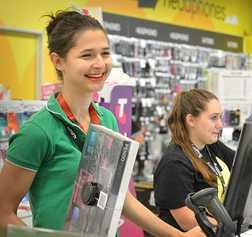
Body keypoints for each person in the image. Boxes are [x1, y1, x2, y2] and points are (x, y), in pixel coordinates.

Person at [0, 10, 205, 237]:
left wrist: (176, 236)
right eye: (87, 55)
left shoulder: (107, 119)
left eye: (105, 53)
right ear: (58, 61)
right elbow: (3, 213)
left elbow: (118, 196)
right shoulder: (38, 132)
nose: (100, 64)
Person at [154, 89, 235, 232]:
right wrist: (228, 228)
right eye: (213, 118)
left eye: (220, 117)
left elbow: (242, 163)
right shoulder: (174, 163)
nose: (220, 125)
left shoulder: (211, 146)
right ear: (191, 120)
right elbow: (188, 221)